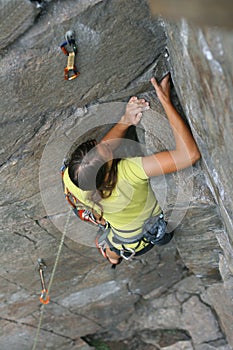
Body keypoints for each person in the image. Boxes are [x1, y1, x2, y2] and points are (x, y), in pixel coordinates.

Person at [63, 74, 200, 266]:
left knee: (113, 235)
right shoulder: (129, 171)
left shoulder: (73, 177)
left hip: (120, 227)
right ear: (109, 170)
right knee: (114, 245)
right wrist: (166, 101)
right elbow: (189, 155)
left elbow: (102, 153)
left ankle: (105, 236)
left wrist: (125, 120)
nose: (106, 144)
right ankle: (111, 255)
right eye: (107, 152)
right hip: (138, 241)